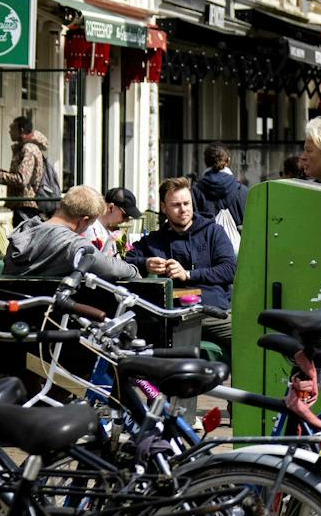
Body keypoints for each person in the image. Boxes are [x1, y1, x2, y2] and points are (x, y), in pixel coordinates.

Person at [127, 177, 237, 359]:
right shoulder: (155, 239)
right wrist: (146, 263)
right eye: (176, 205)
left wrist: (187, 274)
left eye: (187, 203)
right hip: (170, 314)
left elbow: (229, 269)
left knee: (251, 340)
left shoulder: (213, 232)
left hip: (209, 311)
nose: (183, 209)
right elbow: (127, 259)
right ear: (164, 208)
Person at [4, 184, 139, 281]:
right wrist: (134, 270)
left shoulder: (23, 232)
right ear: (84, 221)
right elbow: (112, 269)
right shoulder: (72, 244)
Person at [0, 117, 50, 226]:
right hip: (22, 206)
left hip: (26, 207)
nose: (9, 131)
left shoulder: (29, 149)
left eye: (12, 128)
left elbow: (21, 179)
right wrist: (1, 171)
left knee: (22, 240)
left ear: (21, 130)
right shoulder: (24, 148)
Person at [193, 143, 250, 229]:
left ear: (205, 162)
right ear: (228, 160)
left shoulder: (195, 192)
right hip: (238, 242)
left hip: (207, 241)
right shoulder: (244, 192)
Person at [91, 187, 140, 256]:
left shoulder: (108, 231)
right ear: (111, 208)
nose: (127, 220)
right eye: (125, 215)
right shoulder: (92, 231)